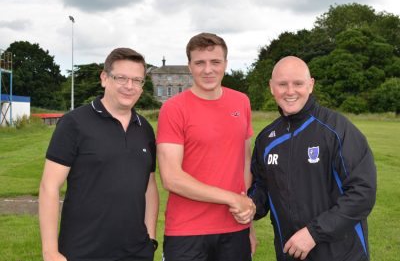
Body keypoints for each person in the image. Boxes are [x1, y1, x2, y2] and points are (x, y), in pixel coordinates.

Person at [248, 56, 377, 260]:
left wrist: (313, 233)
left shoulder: (337, 129)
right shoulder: (266, 138)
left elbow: (362, 193)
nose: (290, 91)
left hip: (342, 254)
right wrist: (250, 206)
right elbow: (262, 186)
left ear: (310, 85)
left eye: (298, 83)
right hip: (290, 253)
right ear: (272, 87)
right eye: (282, 84)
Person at [39, 48, 159, 261]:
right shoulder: (74, 123)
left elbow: (149, 186)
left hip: (136, 252)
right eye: (121, 78)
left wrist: (150, 239)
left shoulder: (145, 129)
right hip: (83, 251)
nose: (129, 86)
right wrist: (50, 251)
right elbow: (49, 186)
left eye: (137, 80)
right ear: (104, 78)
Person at [157, 32, 256, 261]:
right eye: (200, 63)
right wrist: (232, 199)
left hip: (234, 228)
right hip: (187, 231)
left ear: (226, 64)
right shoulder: (173, 109)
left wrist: (247, 219)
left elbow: (245, 161)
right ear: (189, 67)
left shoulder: (241, 101)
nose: (208, 69)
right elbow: (172, 178)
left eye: (215, 62)